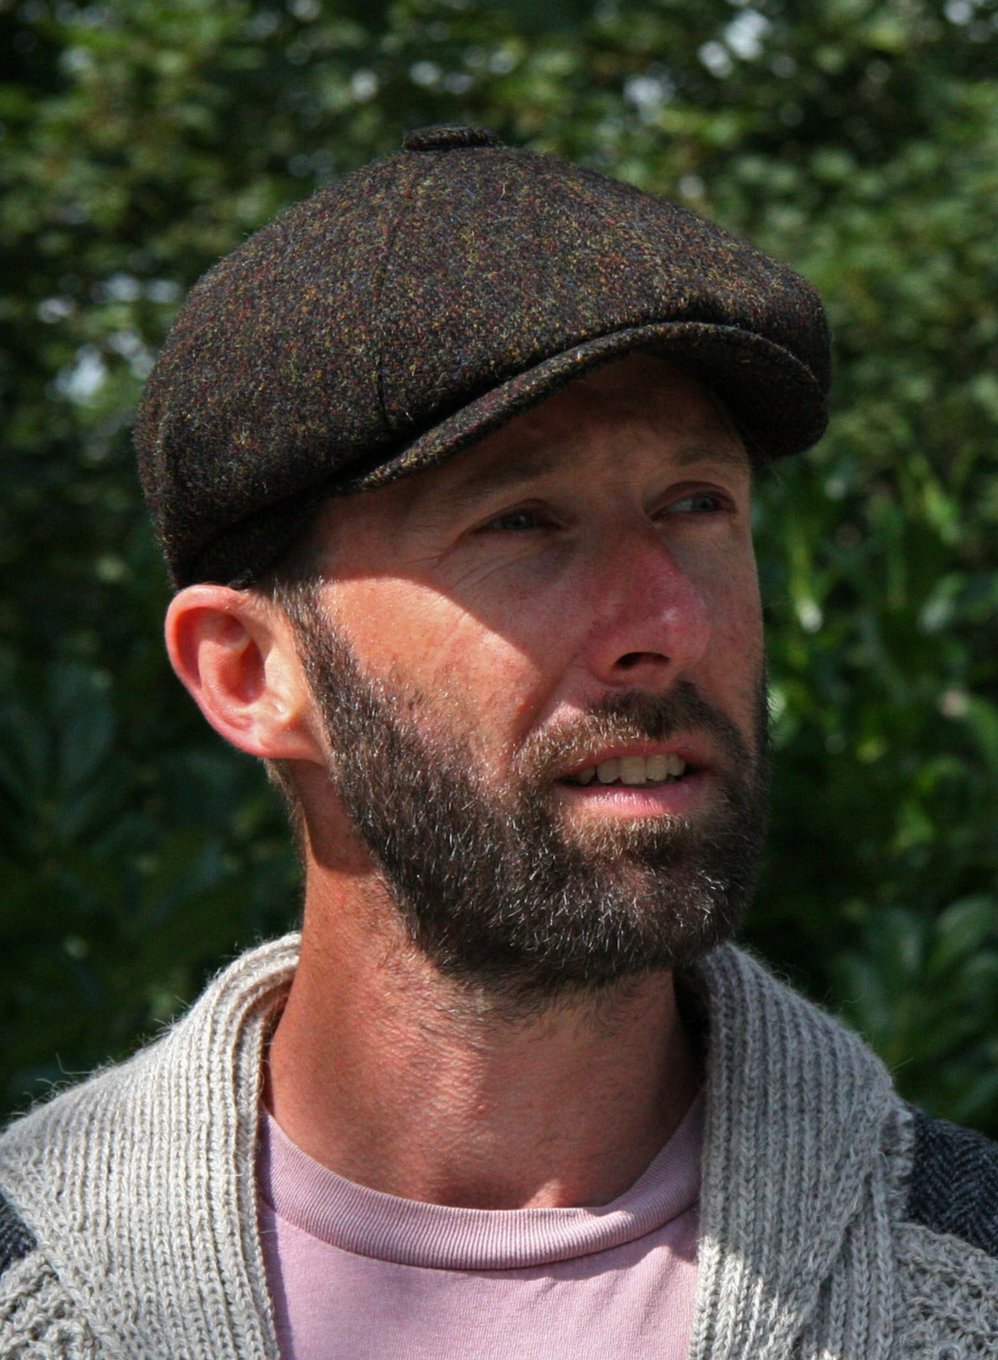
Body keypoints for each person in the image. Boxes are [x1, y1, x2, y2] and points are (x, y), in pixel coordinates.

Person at [0, 124, 995, 1359]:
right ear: (251, 672)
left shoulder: (964, 1284)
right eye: (524, 522)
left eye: (696, 506)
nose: (668, 625)